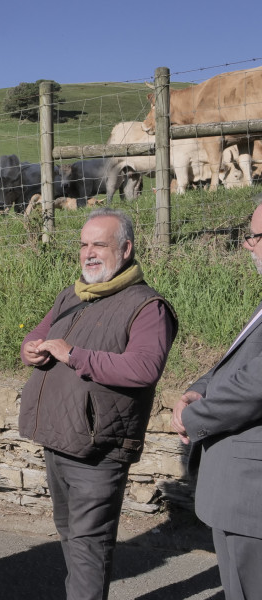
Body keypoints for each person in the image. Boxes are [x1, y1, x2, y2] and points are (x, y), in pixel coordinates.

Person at [19, 207, 178, 600]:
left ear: (125, 249)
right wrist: (31, 350)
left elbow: (143, 368)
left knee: (88, 546)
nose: (89, 253)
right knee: (71, 536)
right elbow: (38, 335)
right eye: (84, 245)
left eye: (99, 245)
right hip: (59, 439)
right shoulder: (72, 295)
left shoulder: (148, 306)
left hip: (99, 448)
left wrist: (75, 356)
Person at [171, 196, 262, 600]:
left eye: (255, 237)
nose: (248, 245)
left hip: (250, 497)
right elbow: (237, 365)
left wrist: (194, 418)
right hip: (238, 493)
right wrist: (198, 389)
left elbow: (253, 387)